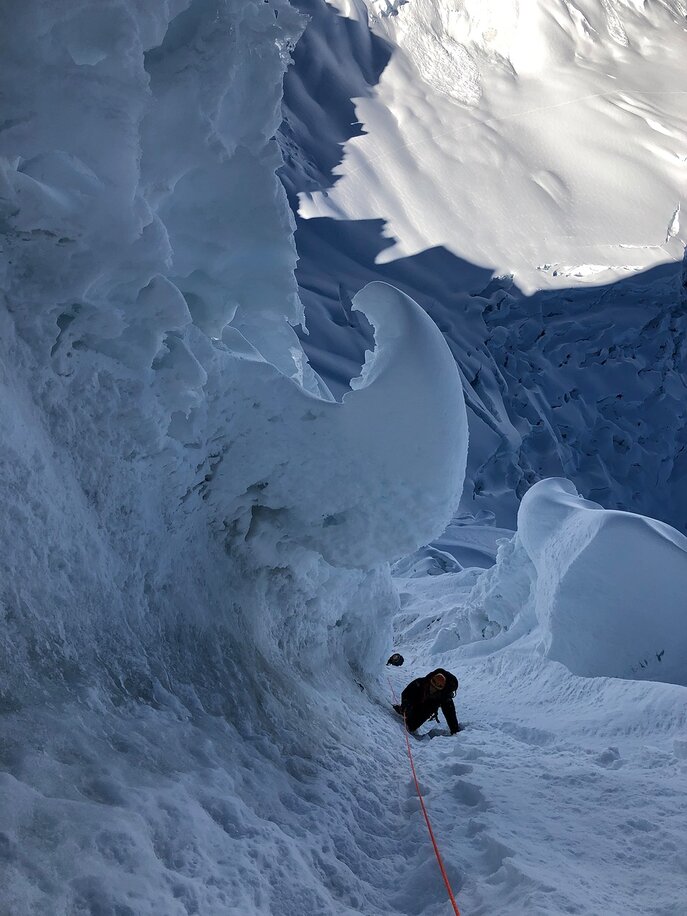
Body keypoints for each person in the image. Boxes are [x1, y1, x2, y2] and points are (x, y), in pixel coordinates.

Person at [393, 668, 461, 735]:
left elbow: (450, 713)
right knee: (409, 706)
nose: (433, 689)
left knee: (411, 726)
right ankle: (404, 710)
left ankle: (411, 719)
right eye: (432, 686)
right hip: (417, 700)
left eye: (436, 689)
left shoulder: (445, 697)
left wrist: (454, 730)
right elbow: (406, 693)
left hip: (428, 707)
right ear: (430, 681)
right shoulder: (420, 682)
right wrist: (405, 704)